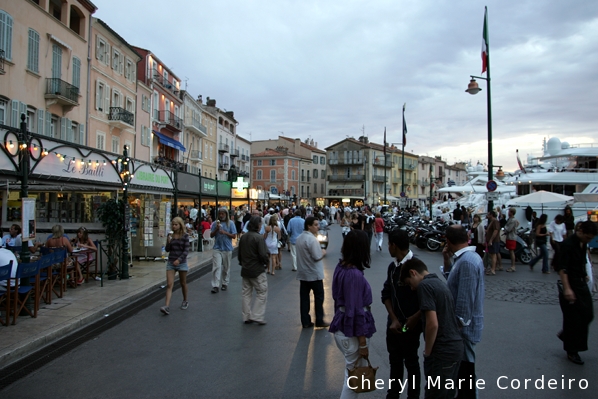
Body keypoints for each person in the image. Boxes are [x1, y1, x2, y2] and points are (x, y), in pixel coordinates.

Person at [400, 258, 463, 399]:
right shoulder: (438, 282)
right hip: (455, 348)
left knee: (434, 393)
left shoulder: (425, 286)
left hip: (442, 350)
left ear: (413, 272)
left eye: (409, 283)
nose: (412, 288)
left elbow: (432, 324)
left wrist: (427, 352)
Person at [329, 230, 376, 398]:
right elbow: (355, 311)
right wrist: (362, 342)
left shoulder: (341, 267)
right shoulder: (354, 274)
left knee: (351, 375)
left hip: (343, 328)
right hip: (352, 333)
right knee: (352, 381)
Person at [443, 225, 485, 399]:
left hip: (463, 331)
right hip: (463, 328)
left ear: (448, 241)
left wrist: (455, 328)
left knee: (466, 373)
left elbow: (464, 302)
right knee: (464, 372)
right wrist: (446, 261)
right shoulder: (466, 258)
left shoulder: (467, 261)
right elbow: (455, 284)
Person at [381, 230, 422, 399]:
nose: (387, 247)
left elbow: (427, 299)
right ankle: (393, 395)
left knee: (411, 363)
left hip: (410, 327)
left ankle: (413, 396)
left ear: (394, 246)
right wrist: (394, 318)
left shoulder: (416, 267)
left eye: (389, 244)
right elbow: (386, 294)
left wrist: (414, 319)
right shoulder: (393, 267)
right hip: (394, 325)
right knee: (395, 362)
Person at [554, 220, 597, 365]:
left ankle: (567, 335)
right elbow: (562, 268)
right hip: (571, 283)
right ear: (581, 232)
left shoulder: (582, 243)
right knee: (573, 317)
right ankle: (572, 351)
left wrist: (584, 274)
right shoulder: (568, 245)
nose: (588, 240)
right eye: (587, 237)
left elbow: (581, 261)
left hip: (579, 281)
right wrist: (567, 288)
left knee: (587, 314)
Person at [296, 216, 328, 328]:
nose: (318, 227)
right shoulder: (312, 240)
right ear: (309, 226)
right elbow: (317, 256)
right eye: (315, 225)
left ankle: (305, 321)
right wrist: (323, 252)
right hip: (314, 274)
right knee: (319, 297)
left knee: (304, 299)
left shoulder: (299, 238)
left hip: (303, 273)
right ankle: (319, 319)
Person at [238, 216, 270, 325]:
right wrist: (266, 262)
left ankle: (246, 316)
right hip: (256, 269)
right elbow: (262, 254)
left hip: (245, 268)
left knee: (246, 293)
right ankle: (257, 315)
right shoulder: (258, 238)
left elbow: (239, 253)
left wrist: (242, 263)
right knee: (262, 291)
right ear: (258, 225)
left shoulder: (243, 237)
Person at [160, 217, 190, 314]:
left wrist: (179, 259)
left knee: (183, 283)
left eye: (176, 224)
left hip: (181, 263)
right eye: (173, 224)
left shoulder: (185, 236)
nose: (174, 226)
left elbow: (186, 251)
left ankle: (185, 300)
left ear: (180, 225)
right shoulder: (171, 236)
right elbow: (168, 249)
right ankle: (167, 306)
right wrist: (168, 241)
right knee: (169, 284)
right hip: (171, 262)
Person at [210, 207, 237, 293]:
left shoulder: (231, 223)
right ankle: (215, 285)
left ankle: (225, 283)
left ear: (226, 214)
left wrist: (225, 232)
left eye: (223, 214)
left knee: (226, 267)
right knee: (216, 267)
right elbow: (211, 235)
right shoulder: (215, 223)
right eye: (220, 214)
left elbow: (234, 236)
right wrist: (216, 229)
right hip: (217, 248)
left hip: (227, 248)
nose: (221, 215)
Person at [484, 211, 501, 275]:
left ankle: (493, 269)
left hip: (494, 241)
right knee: (492, 254)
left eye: (488, 214)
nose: (487, 215)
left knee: (493, 255)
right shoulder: (492, 221)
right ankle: (492, 268)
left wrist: (491, 240)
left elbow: (495, 231)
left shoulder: (495, 221)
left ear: (492, 215)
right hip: (491, 240)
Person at [503, 208, 520, 272]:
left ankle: (513, 266)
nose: (508, 212)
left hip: (511, 237)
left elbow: (508, 229)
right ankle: (512, 266)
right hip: (510, 236)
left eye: (509, 211)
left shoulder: (512, 220)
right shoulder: (512, 219)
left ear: (511, 212)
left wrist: (505, 228)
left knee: (511, 251)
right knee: (511, 251)